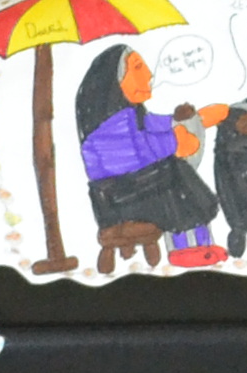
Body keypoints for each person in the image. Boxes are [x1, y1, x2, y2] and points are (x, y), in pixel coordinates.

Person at [73, 46, 223, 271]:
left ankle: (194, 243)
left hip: (132, 189)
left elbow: (150, 124)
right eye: (137, 67)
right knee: (177, 174)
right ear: (115, 79)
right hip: (119, 196)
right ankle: (187, 247)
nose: (148, 74)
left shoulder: (127, 112)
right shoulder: (106, 122)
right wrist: (174, 141)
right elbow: (130, 155)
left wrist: (190, 120)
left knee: (174, 173)